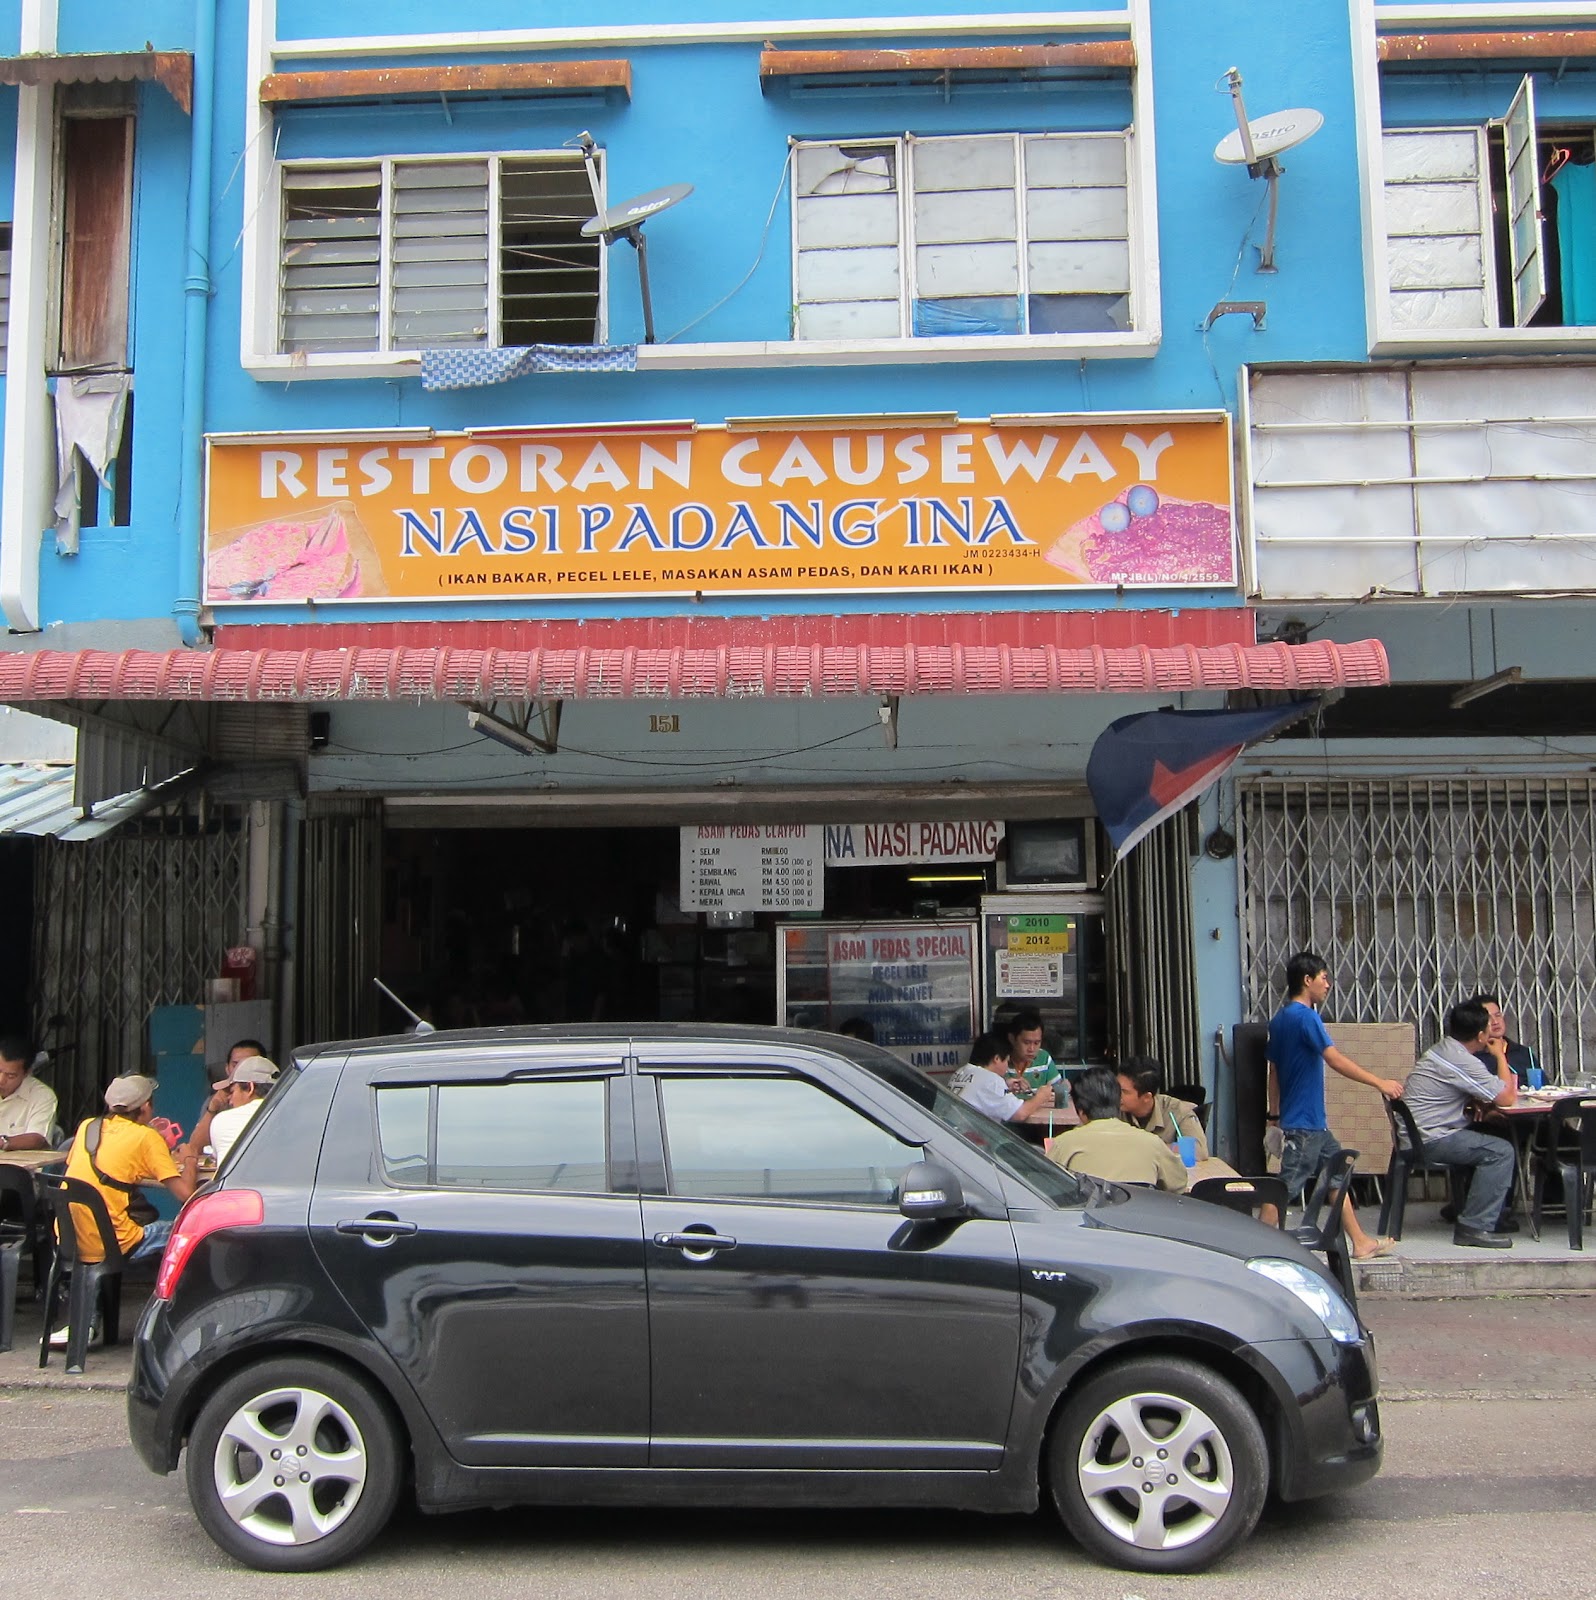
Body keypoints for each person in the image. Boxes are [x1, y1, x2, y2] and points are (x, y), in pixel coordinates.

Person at [1267, 950, 1403, 1261]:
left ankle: (1360, 1240)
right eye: (1324, 978)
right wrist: (1379, 1082)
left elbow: (1273, 1070)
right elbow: (1334, 1059)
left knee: (1336, 1174)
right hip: (1306, 1122)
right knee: (1286, 1186)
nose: (1328, 985)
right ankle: (1253, 1243)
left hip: (1306, 1120)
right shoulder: (1306, 1018)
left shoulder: (1280, 1019)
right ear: (1307, 980)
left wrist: (1273, 1115)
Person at [1403, 999, 1518, 1248]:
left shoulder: (1444, 1049)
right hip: (1431, 1138)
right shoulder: (1461, 1060)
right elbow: (1507, 1097)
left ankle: (1479, 1212)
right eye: (1489, 1026)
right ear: (1480, 1036)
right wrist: (1499, 1054)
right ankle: (1475, 1227)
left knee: (1490, 1134)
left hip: (1419, 1133)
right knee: (1501, 1152)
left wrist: (1477, 1105)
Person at [1047, 1066, 1189, 1190]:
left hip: (1088, 1219)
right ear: (1118, 1102)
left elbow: (1048, 1188)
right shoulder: (1153, 1143)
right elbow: (1178, 1184)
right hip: (1139, 1217)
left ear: (1081, 1111)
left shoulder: (1064, 1143)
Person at [181, 1055, 278, 1175]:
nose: (230, 1100)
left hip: (236, 1191)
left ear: (250, 1087)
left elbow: (194, 1149)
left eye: (232, 1091)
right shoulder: (293, 1116)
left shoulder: (223, 1119)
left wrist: (213, 1110)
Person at [947, 1031, 1057, 1124]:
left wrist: (1005, 1086)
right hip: (972, 1138)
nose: (1006, 1066)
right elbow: (1020, 1114)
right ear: (997, 1059)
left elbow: (981, 1092)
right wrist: (1041, 1097)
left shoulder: (961, 1071)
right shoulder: (991, 1080)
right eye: (1006, 1061)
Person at [1117, 1056, 1209, 1161]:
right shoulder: (1110, 1109)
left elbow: (1199, 1151)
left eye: (1124, 1092)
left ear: (1147, 1097)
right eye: (1116, 1088)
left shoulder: (1176, 1110)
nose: (1116, 1094)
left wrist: (1151, 1147)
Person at [0, 1035, 57, 1152]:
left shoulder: (42, 1096)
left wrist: (3, 1142)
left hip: (17, 1167)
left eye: (10, 1076)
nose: (1, 1080)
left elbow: (37, 1139)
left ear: (27, 1073)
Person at [1467, 994, 1539, 1084]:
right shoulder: (1472, 1058)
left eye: (1498, 1015)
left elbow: (1545, 1090)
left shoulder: (1524, 1053)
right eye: (1488, 1018)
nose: (1495, 1022)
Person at [1003, 1007, 1059, 1090]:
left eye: (1037, 1043)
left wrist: (1063, 1087)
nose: (1032, 1049)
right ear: (1012, 1038)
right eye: (1026, 1043)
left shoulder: (1044, 1058)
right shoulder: (1001, 1060)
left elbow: (1058, 1088)